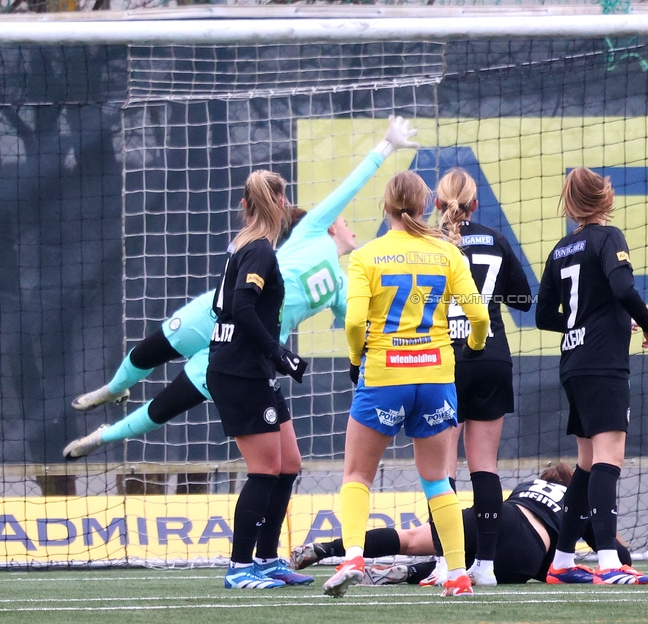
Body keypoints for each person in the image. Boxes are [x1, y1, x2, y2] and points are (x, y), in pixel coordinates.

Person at [63, 116, 419, 459]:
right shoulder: (312, 232)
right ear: (330, 227)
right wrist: (386, 145)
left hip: (245, 347)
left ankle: (101, 436)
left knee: (166, 407)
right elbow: (349, 187)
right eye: (344, 221)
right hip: (215, 314)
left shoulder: (342, 285)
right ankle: (113, 389)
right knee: (146, 354)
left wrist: (395, 346)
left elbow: (361, 326)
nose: (350, 226)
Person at [323, 170, 490, 599]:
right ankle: (456, 574)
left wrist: (357, 359)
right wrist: (471, 344)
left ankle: (354, 556)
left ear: (386, 206)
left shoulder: (366, 256)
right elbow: (480, 318)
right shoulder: (448, 252)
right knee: (437, 481)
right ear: (422, 206)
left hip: (384, 375)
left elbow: (356, 321)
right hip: (435, 376)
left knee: (358, 475)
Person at [535, 167, 648, 586]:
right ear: (605, 197)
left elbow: (542, 316)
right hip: (602, 364)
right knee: (610, 460)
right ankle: (609, 563)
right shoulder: (609, 238)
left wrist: (588, 323)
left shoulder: (559, 250)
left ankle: (562, 562)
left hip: (572, 363)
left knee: (587, 465)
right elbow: (623, 288)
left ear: (570, 204)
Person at [205, 168, 312, 590]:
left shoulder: (248, 244)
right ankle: (239, 567)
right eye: (284, 200)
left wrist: (274, 359)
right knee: (265, 470)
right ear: (277, 204)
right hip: (241, 370)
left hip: (251, 368)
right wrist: (279, 353)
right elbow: (242, 307)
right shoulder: (261, 251)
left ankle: (267, 559)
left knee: (289, 465)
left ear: (246, 206)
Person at [289, 464, 641, 586]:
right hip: (529, 543)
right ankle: (406, 573)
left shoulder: (526, 487)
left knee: (412, 538)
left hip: (498, 516)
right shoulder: (576, 499)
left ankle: (327, 549)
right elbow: (620, 554)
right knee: (521, 567)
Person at [430, 168, 533, 586]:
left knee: (441, 468)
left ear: (437, 204)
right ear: (476, 204)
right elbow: (524, 299)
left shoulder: (428, 243)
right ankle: (485, 567)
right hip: (490, 353)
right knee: (484, 466)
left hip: (443, 359)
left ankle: (444, 565)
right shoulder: (496, 239)